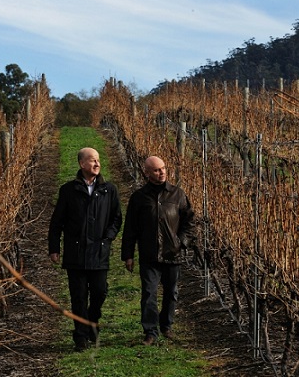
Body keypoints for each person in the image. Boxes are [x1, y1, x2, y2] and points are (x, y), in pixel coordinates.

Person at [48, 147, 122, 351]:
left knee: (99, 292)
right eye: (92, 161)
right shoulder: (68, 190)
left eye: (98, 160)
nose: (97, 164)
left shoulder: (109, 190)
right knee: (78, 296)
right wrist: (54, 247)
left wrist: (108, 237)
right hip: (76, 253)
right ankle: (80, 336)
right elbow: (57, 222)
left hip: (99, 251)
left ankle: (92, 319)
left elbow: (116, 218)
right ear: (82, 164)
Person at [121, 155, 196, 346]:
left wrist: (182, 242)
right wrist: (128, 255)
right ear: (147, 173)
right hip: (149, 254)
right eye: (156, 170)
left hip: (173, 253)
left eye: (163, 168)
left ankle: (166, 326)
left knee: (171, 292)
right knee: (149, 293)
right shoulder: (139, 198)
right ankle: (150, 331)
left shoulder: (177, 194)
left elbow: (190, 222)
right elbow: (130, 228)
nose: (161, 172)